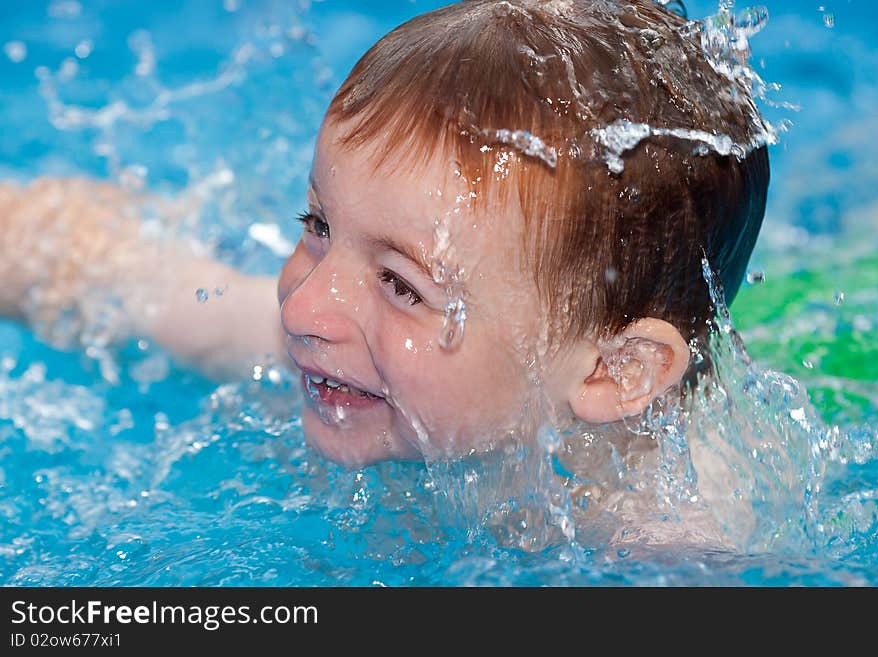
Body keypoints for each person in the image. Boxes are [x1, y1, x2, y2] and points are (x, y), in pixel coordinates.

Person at [0, 0, 770, 516]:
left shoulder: (669, 537)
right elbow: (99, 269)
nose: (301, 309)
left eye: (401, 285)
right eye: (318, 224)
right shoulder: (315, 353)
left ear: (614, 372)